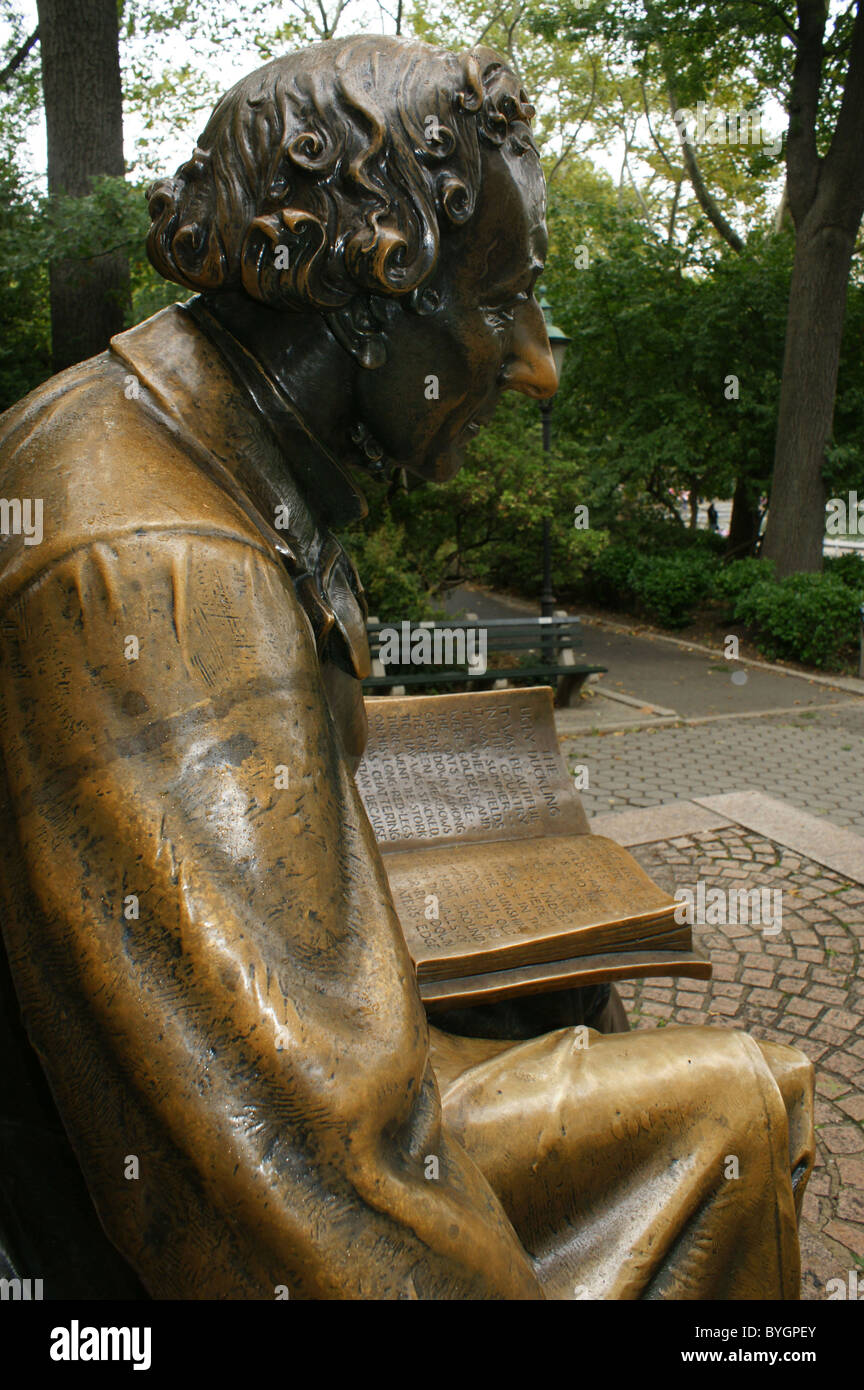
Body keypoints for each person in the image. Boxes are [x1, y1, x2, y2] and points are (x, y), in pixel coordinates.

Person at [0, 35, 812, 1299]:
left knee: (658, 1061)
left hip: (226, 1108)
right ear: (372, 302)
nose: (536, 363)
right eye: (498, 305)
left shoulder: (176, 429)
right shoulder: (158, 569)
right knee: (737, 1114)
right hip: (130, 1242)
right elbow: (301, 1174)